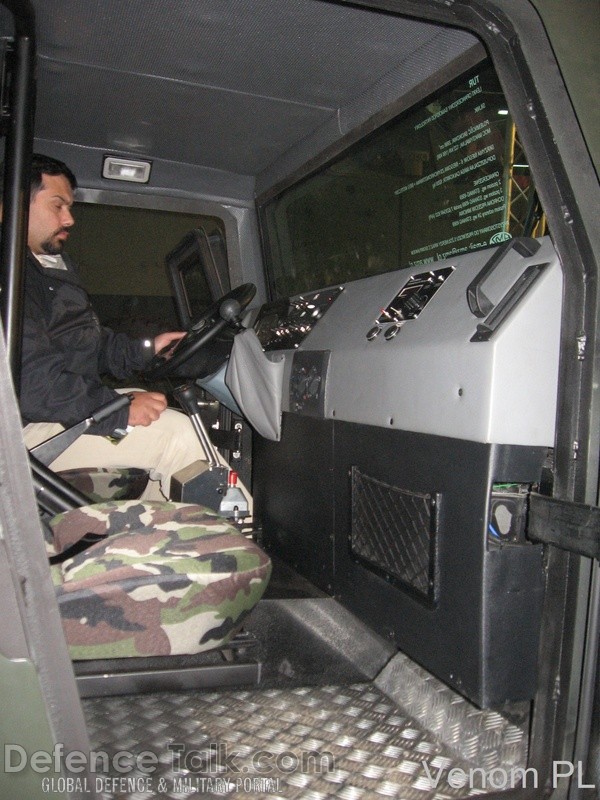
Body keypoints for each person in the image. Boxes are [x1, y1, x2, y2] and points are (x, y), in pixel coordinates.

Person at [7, 153, 229, 502]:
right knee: (177, 436)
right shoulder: (10, 278)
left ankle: (168, 547)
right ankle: (235, 545)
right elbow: (32, 383)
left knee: (157, 415)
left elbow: (85, 346)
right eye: (57, 205)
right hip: (19, 432)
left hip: (48, 413)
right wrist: (117, 411)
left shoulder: (42, 270)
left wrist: (147, 349)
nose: (69, 219)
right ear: (14, 203)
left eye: (70, 207)